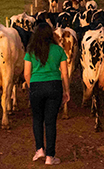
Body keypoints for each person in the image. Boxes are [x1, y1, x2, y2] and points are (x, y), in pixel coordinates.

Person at [24, 22, 70, 165]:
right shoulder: (59, 50)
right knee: (51, 122)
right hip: (54, 86)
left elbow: (26, 73)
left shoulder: (31, 51)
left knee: (37, 119)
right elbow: (65, 72)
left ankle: (39, 150)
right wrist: (67, 90)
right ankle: (50, 156)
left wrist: (32, 86)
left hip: (36, 85)